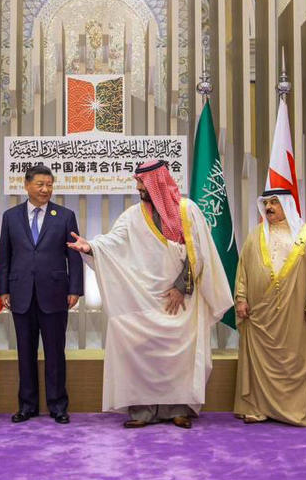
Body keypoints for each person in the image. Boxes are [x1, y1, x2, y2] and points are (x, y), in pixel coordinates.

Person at [68, 160, 233, 428]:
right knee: (140, 351)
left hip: (182, 299)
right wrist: (91, 247)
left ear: (156, 182)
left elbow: (198, 253)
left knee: (180, 356)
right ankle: (142, 412)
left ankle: (178, 409)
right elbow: (114, 242)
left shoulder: (186, 210)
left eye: (141, 182)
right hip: (145, 298)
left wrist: (181, 287)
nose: (137, 187)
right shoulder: (133, 215)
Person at [233, 189, 306, 427]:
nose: (269, 207)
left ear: (287, 204)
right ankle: (257, 407)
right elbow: (242, 270)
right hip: (260, 316)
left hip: (297, 314)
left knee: (296, 359)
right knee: (259, 362)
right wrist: (241, 298)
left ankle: (295, 410)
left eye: (275, 202)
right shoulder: (255, 235)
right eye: (266, 203)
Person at [0, 164, 83, 425]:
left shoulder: (65, 215)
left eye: (49, 184)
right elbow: (5, 257)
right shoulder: (10, 216)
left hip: (55, 294)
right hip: (21, 293)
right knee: (25, 353)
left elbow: (74, 255)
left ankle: (58, 406)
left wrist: (75, 289)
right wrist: (3, 289)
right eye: (40, 184)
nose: (45, 189)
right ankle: (27, 406)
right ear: (26, 185)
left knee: (56, 352)